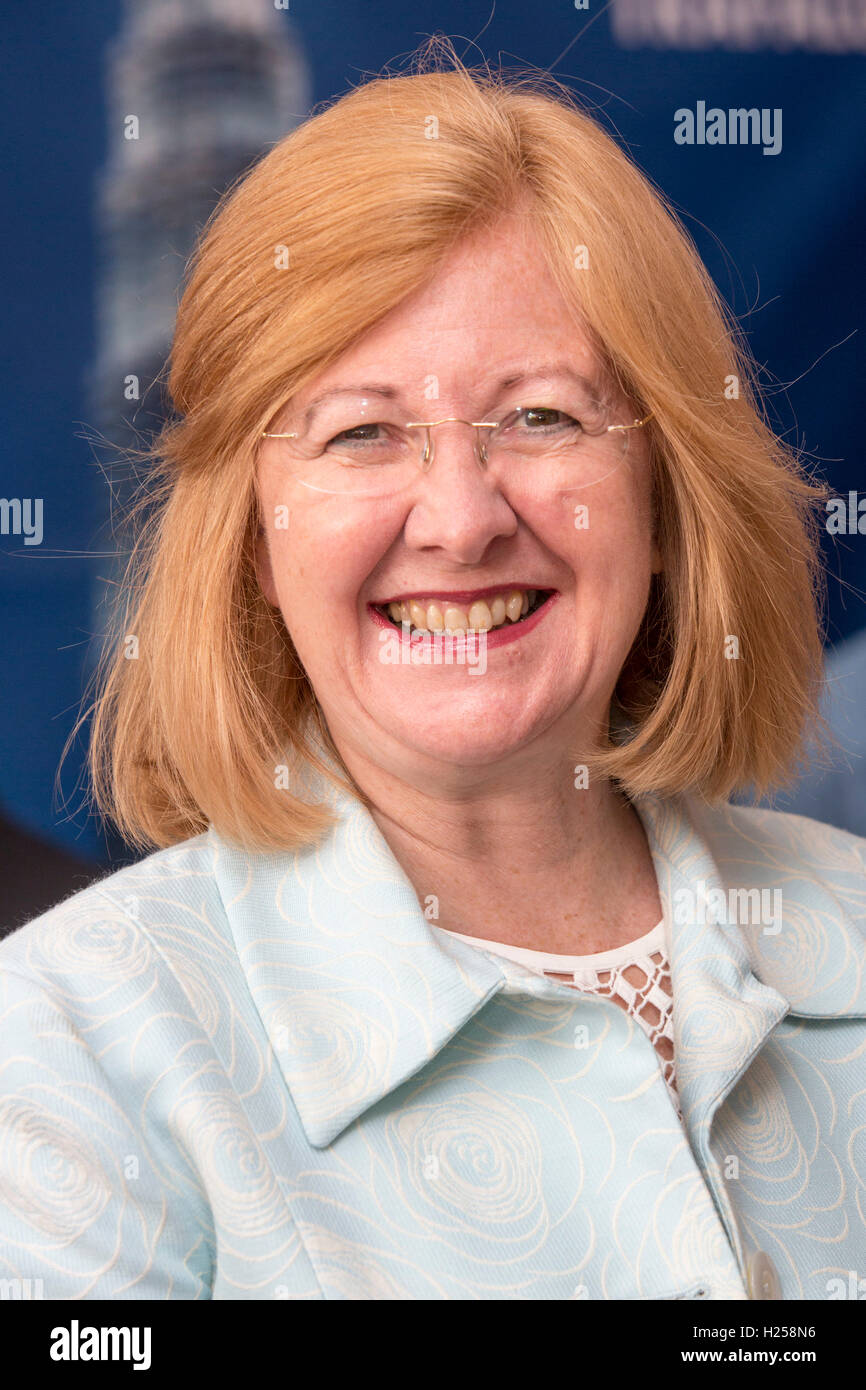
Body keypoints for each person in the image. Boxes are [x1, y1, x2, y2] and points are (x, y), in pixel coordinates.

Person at [1, 42, 864, 1302]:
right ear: (248, 536)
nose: (460, 520)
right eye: (360, 432)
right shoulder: (70, 1046)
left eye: (541, 416)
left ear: (664, 493)